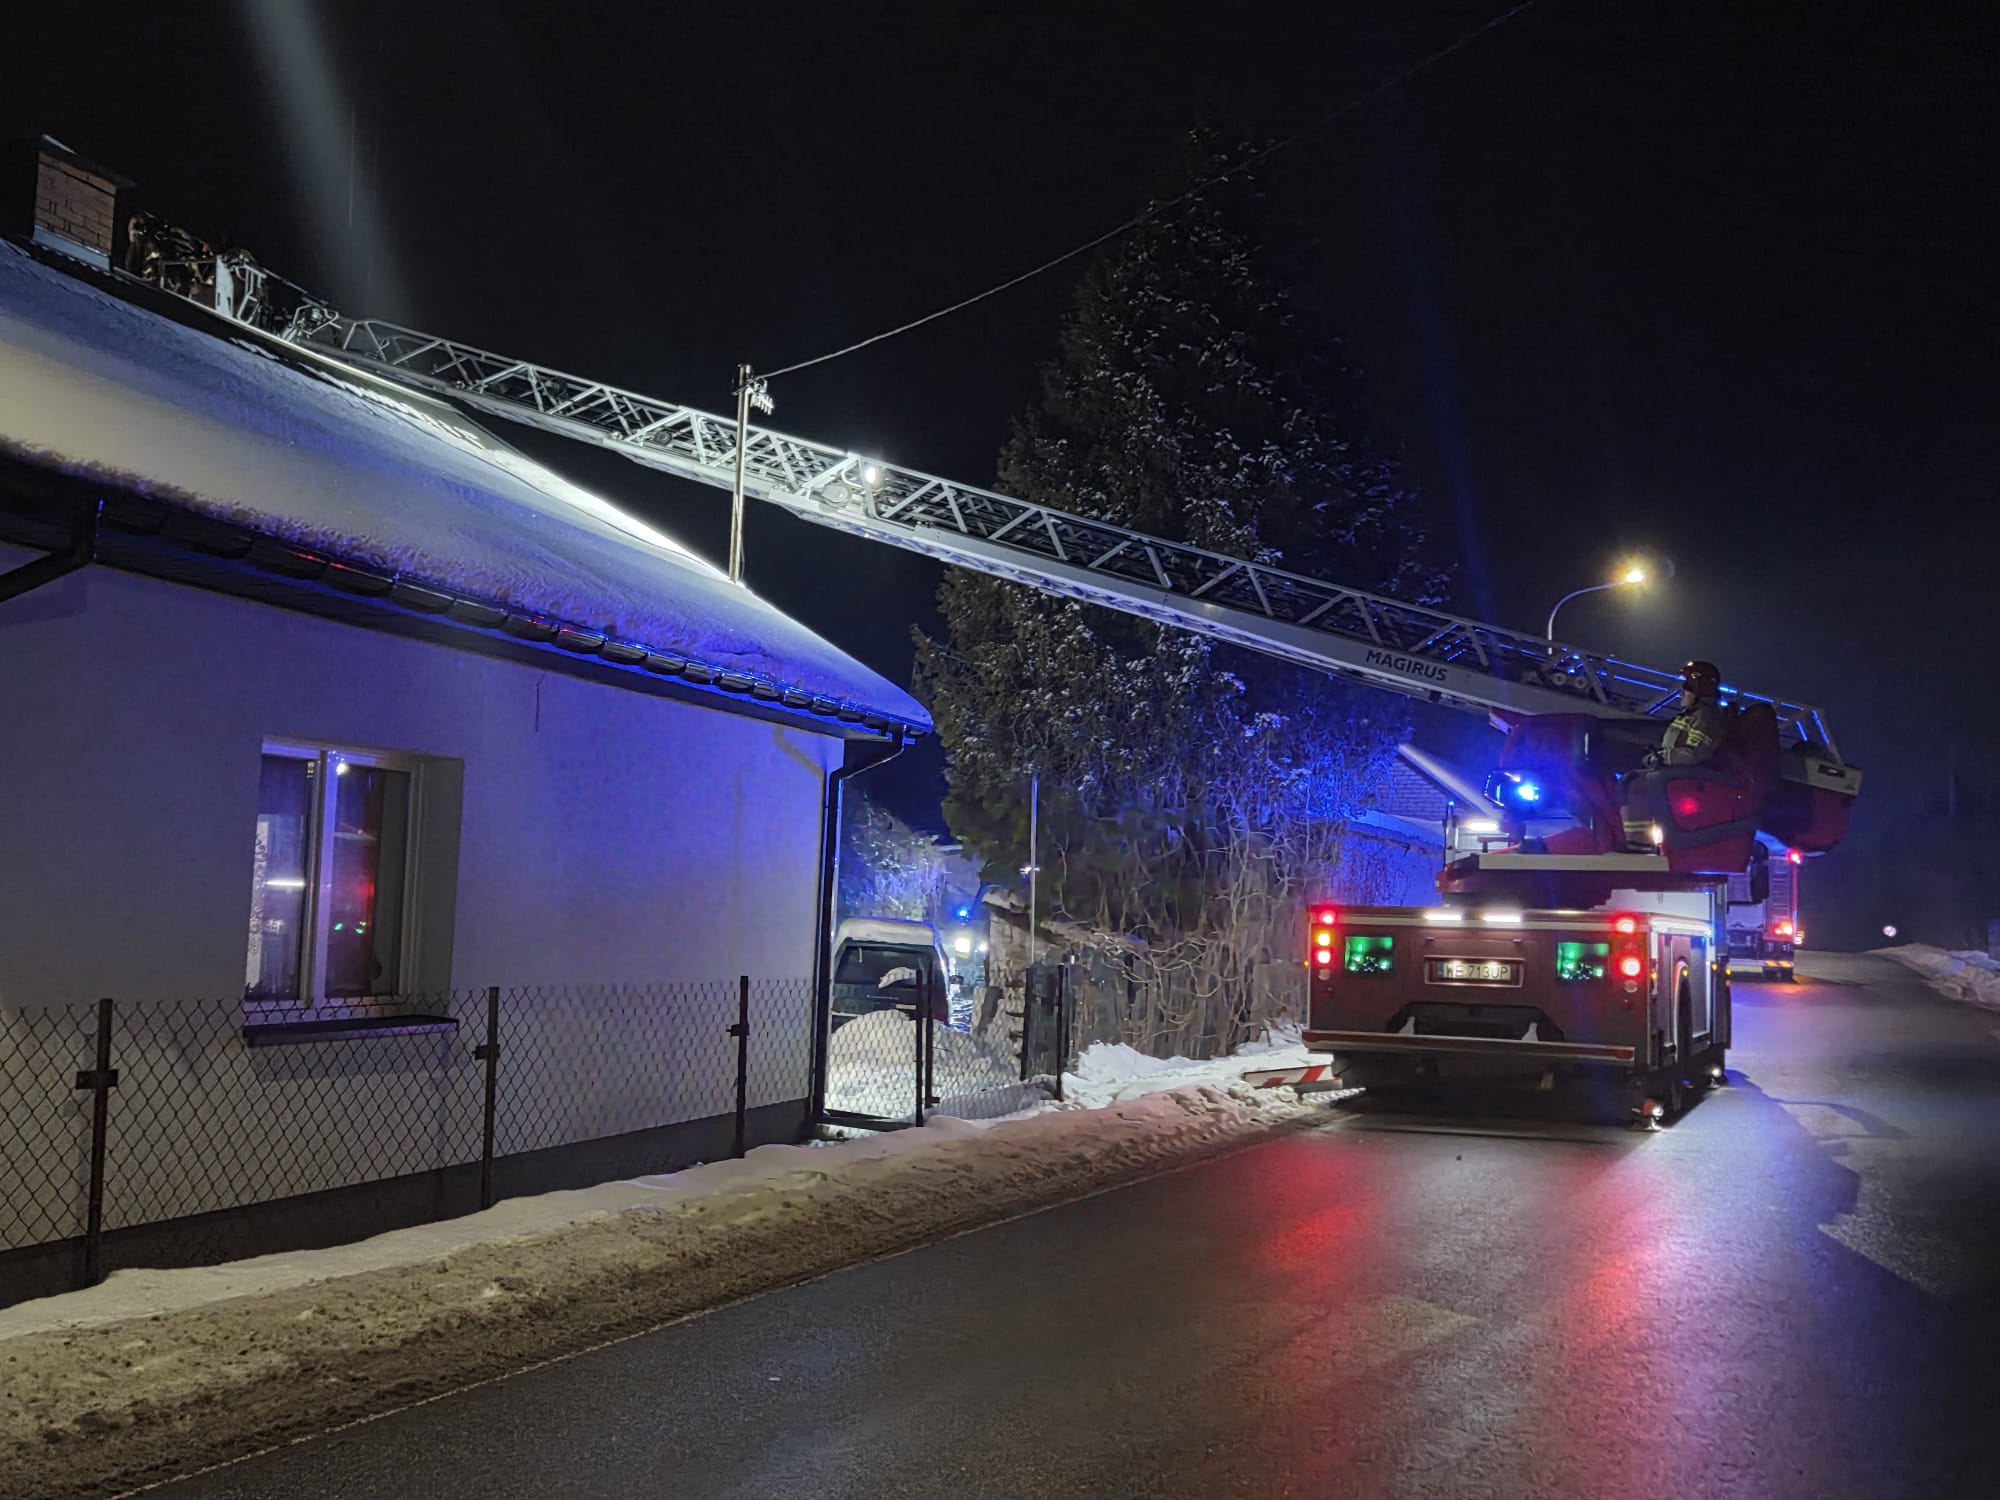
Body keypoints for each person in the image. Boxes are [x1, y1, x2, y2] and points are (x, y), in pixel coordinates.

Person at [1658, 660, 1728, 767]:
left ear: (1700, 690)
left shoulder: (1705, 717)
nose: (1681, 693)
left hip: (1685, 773)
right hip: (1671, 769)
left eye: (1687, 688)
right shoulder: (1690, 713)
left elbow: (1691, 755)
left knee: (1648, 780)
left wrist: (1659, 758)